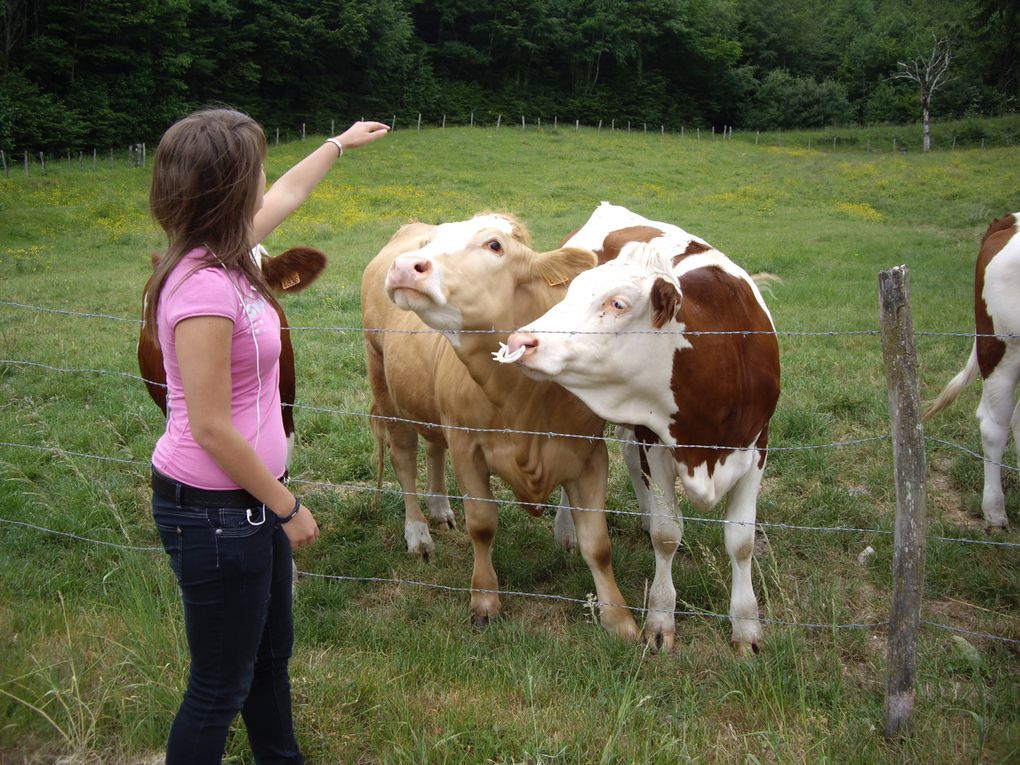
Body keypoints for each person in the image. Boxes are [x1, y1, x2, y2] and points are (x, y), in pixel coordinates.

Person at [144, 107, 388, 764]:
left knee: (271, 657)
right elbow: (211, 426)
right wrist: (287, 507)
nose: (264, 181)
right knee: (218, 687)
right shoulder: (201, 287)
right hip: (217, 511)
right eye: (253, 169)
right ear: (228, 190)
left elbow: (290, 193)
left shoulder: (227, 248)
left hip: (251, 499)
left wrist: (339, 143)